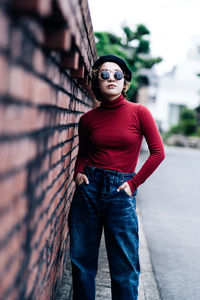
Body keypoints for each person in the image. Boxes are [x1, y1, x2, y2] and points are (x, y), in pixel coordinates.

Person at [68, 54, 165, 300]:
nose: (111, 78)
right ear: (97, 82)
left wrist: (134, 183)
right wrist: (79, 173)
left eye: (117, 74)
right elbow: (84, 154)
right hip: (88, 192)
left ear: (125, 82)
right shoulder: (87, 120)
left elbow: (158, 153)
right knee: (81, 263)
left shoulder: (139, 112)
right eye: (104, 74)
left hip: (120, 193)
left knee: (124, 269)